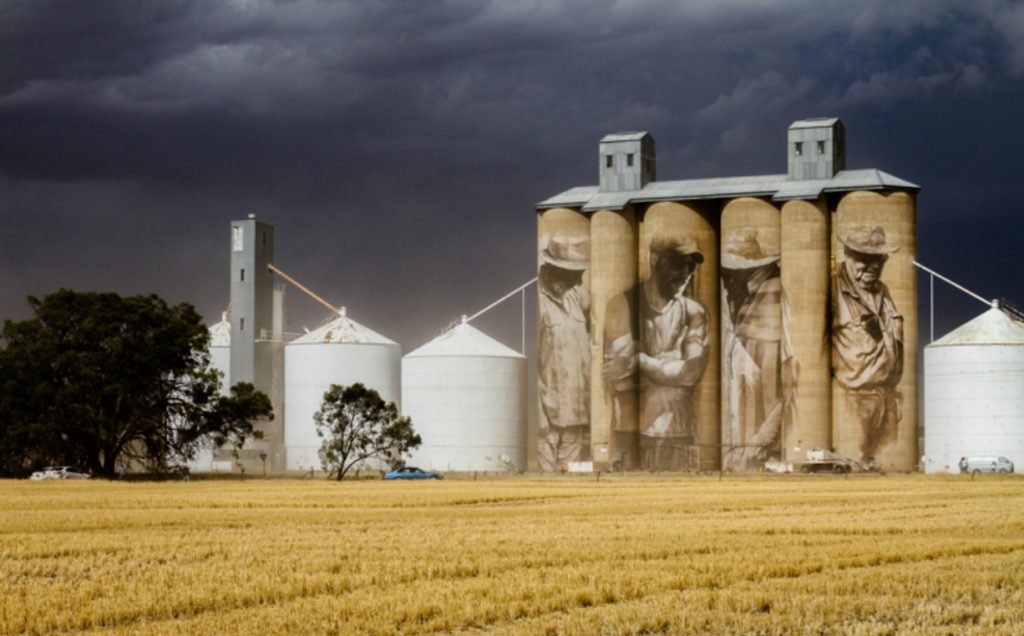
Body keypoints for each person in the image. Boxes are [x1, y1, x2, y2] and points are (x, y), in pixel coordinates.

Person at [603, 236, 708, 471]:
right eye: (677, 264)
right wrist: (669, 364)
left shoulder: (693, 312)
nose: (685, 273)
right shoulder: (623, 305)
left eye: (690, 266)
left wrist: (642, 360)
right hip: (631, 430)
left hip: (678, 428)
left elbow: (691, 372)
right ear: (653, 260)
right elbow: (620, 374)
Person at [720, 229, 794, 471]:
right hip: (739, 445)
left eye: (731, 271)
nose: (725, 279)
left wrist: (761, 439)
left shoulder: (778, 297)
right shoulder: (735, 302)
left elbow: (795, 383)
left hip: (763, 447)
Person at [832, 225, 903, 463]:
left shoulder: (883, 291)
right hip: (853, 402)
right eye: (865, 258)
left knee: (889, 468)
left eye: (879, 259)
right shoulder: (833, 291)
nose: (873, 266)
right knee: (852, 465)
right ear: (848, 255)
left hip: (887, 400)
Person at [537, 235, 591, 472]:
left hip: (576, 415)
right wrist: (537, 416)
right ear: (551, 269)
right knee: (546, 480)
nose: (576, 281)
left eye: (578, 275)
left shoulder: (574, 297)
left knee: (568, 478)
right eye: (571, 275)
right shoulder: (537, 303)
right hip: (548, 419)